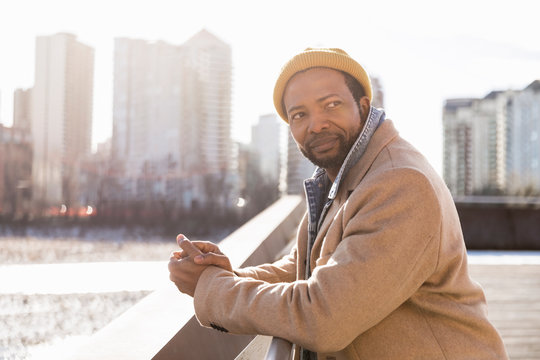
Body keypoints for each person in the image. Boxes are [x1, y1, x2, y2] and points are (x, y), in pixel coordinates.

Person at [168, 48, 508, 360]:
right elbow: (307, 268)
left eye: (331, 104)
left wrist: (213, 288)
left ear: (362, 106)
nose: (316, 124)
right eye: (299, 115)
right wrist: (229, 274)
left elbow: (324, 318)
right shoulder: (349, 174)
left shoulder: (398, 183)